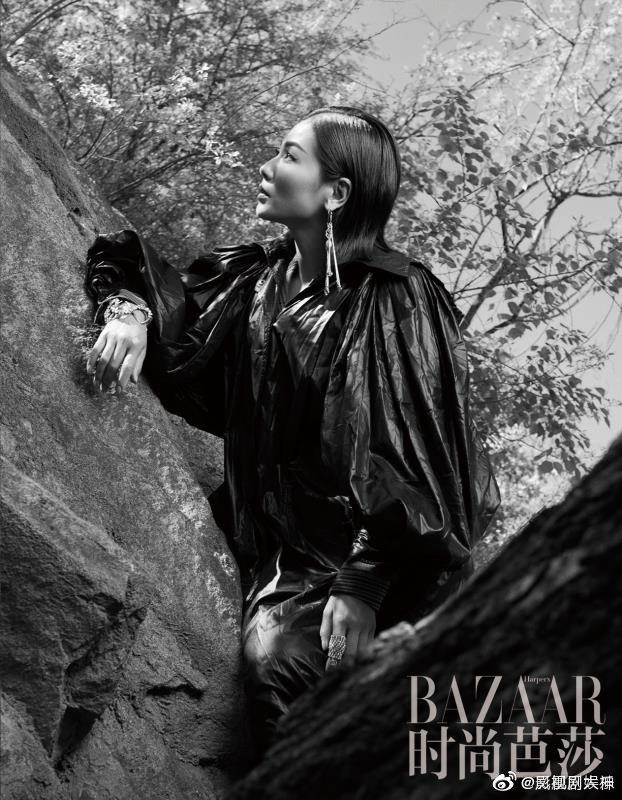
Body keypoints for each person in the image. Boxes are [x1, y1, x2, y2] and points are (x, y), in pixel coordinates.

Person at [84, 106, 500, 756]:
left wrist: (366, 580)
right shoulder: (256, 282)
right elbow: (164, 299)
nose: (266, 166)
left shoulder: (396, 294)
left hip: (376, 561)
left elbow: (427, 458)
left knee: (280, 669)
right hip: (283, 549)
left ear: (336, 194)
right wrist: (129, 312)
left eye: (288, 155)